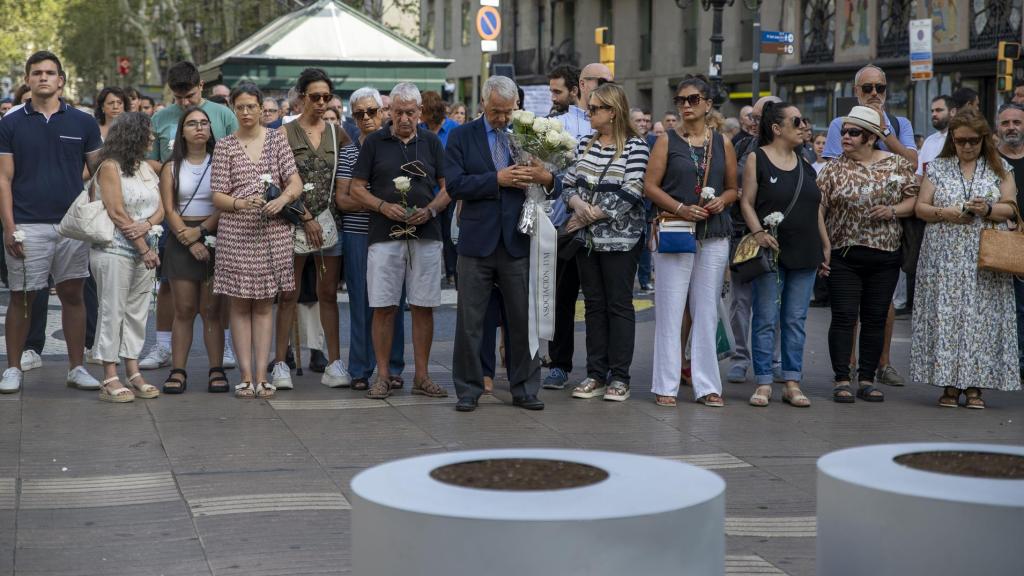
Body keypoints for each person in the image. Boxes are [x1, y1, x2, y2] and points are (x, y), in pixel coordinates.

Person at [445, 75, 553, 412]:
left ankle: (524, 387)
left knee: (521, 319)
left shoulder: (528, 135)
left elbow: (554, 180)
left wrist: (543, 176)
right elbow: (455, 184)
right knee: (470, 320)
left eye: (508, 111)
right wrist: (497, 179)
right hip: (477, 242)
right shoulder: (462, 137)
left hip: (517, 241)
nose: (502, 118)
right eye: (496, 112)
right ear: (482, 104)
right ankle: (468, 388)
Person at [0, 51, 102, 394]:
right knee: (22, 297)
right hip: (28, 224)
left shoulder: (84, 123)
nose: (43, 77)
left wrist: (98, 217)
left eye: (50, 73)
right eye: (37, 73)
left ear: (61, 80)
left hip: (72, 225)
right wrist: (9, 226)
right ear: (28, 80)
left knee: (74, 294)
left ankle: (76, 368)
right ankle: (12, 368)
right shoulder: (10, 123)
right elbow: (3, 179)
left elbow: (102, 172)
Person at [912, 111, 1021, 408]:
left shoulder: (1000, 168)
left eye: (973, 140)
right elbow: (921, 208)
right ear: (953, 140)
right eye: (960, 141)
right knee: (946, 317)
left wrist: (986, 209)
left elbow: (1011, 208)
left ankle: (975, 387)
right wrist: (943, 213)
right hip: (943, 257)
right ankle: (948, 384)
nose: (967, 146)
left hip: (984, 256)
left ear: (983, 139)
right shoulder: (937, 168)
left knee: (980, 319)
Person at [348, 82, 450, 400]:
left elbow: (449, 187)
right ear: (389, 111)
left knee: (423, 306)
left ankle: (421, 376)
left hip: (426, 235)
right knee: (383, 305)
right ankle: (382, 376)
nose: (404, 118)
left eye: (410, 112)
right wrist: (382, 205)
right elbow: (356, 187)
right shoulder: (374, 143)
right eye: (399, 112)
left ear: (420, 112)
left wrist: (432, 210)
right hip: (383, 234)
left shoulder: (432, 142)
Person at [822, 64, 918, 388]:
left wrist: (882, 128)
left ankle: (876, 370)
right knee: (846, 314)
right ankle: (844, 373)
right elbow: (834, 176)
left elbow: (911, 165)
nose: (875, 94)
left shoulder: (899, 124)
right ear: (856, 91)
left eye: (880, 88)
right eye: (868, 89)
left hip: (885, 249)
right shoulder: (841, 124)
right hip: (845, 247)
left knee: (878, 313)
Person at [643, 77, 737, 407]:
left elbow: (732, 188)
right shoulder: (666, 141)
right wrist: (681, 207)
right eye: (681, 99)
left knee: (706, 310)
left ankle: (707, 384)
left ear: (708, 104)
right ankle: (666, 385)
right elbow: (650, 187)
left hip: (713, 233)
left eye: (693, 99)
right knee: (670, 310)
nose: (686, 105)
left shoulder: (723, 143)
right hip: (675, 230)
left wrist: (721, 202)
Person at [143, 60, 239, 371]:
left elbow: (235, 157)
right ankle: (162, 346)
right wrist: (174, 168)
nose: (184, 104)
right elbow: (150, 162)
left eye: (191, 97)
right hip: (173, 210)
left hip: (217, 216)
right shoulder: (160, 118)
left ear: (201, 87)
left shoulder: (223, 114)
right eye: (178, 99)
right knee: (170, 285)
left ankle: (222, 347)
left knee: (217, 290)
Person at [211, 83, 302, 399]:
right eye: (241, 107)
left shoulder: (277, 139)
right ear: (233, 109)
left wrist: (284, 199)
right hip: (236, 233)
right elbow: (218, 195)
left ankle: (263, 376)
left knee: (265, 306)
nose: (247, 112)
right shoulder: (224, 146)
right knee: (238, 305)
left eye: (252, 106)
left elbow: (294, 180)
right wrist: (240, 203)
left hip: (272, 232)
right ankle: (246, 376)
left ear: (262, 108)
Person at [559, 82, 649, 402]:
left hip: (622, 240)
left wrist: (590, 213)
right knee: (594, 306)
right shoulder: (584, 143)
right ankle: (596, 373)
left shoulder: (637, 147)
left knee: (619, 305)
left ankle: (620, 377)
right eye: (590, 108)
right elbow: (567, 184)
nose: (589, 113)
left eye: (595, 109)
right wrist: (578, 207)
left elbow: (632, 191)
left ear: (613, 112)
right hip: (588, 241)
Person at [739, 101, 829, 408]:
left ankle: (792, 381)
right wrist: (758, 233)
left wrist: (825, 243)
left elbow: (814, 206)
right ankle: (763, 381)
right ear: (777, 129)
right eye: (797, 121)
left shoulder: (805, 162)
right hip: (771, 250)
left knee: (795, 319)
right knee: (765, 317)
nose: (805, 126)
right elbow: (746, 202)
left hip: (806, 249)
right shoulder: (757, 158)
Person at [271, 68, 352, 390]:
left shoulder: (338, 133)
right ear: (301, 97)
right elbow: (274, 184)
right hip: (294, 220)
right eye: (314, 96)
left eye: (326, 97)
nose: (321, 102)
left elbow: (349, 171)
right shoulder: (283, 133)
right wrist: (304, 216)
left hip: (330, 223)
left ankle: (334, 362)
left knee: (328, 293)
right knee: (288, 293)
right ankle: (280, 362)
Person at [90, 112, 164, 402]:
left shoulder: (145, 167)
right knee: (112, 312)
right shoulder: (109, 166)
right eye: (149, 132)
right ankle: (109, 376)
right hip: (114, 250)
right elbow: (117, 212)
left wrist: (147, 227)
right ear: (134, 135)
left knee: (137, 313)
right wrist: (143, 247)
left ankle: (132, 370)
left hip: (146, 250)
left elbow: (160, 208)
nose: (153, 138)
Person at [543, 62, 608, 391]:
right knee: (562, 296)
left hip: (603, 224)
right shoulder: (560, 123)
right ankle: (558, 363)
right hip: (566, 222)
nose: (608, 85)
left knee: (599, 300)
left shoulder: (616, 122)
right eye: (601, 81)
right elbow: (549, 170)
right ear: (582, 84)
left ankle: (600, 367)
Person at [335, 87, 406, 391]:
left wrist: (361, 195)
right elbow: (342, 199)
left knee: (394, 302)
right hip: (358, 234)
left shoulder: (396, 148)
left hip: (392, 234)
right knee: (361, 301)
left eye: (372, 112)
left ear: (383, 112)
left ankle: (392, 367)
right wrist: (378, 204)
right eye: (359, 113)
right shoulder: (350, 151)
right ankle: (361, 369)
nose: (366, 118)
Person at [159, 106, 227, 394]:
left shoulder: (221, 162)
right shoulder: (171, 166)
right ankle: (178, 370)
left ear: (210, 129)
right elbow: (168, 208)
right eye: (192, 124)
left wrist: (201, 233)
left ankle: (216, 369)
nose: (199, 128)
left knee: (212, 309)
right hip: (180, 236)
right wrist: (189, 239)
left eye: (204, 123)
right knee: (184, 308)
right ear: (182, 131)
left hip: (214, 233)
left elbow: (224, 203)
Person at [995, 102, 1024, 379]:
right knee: (1013, 306)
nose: (1011, 127)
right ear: (997, 127)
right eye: (1006, 123)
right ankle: (1016, 365)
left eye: (1016, 122)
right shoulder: (992, 160)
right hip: (1004, 242)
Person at [420, 90, 460, 285]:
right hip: (427, 192)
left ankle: (452, 272)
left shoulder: (454, 129)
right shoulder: (420, 128)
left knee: (449, 234)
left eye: (422, 109)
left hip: (450, 190)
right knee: (430, 236)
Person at [917, 96, 951, 177]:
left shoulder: (960, 140)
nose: (934, 114)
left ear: (952, 112)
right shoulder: (929, 141)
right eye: (932, 111)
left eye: (939, 110)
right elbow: (920, 174)